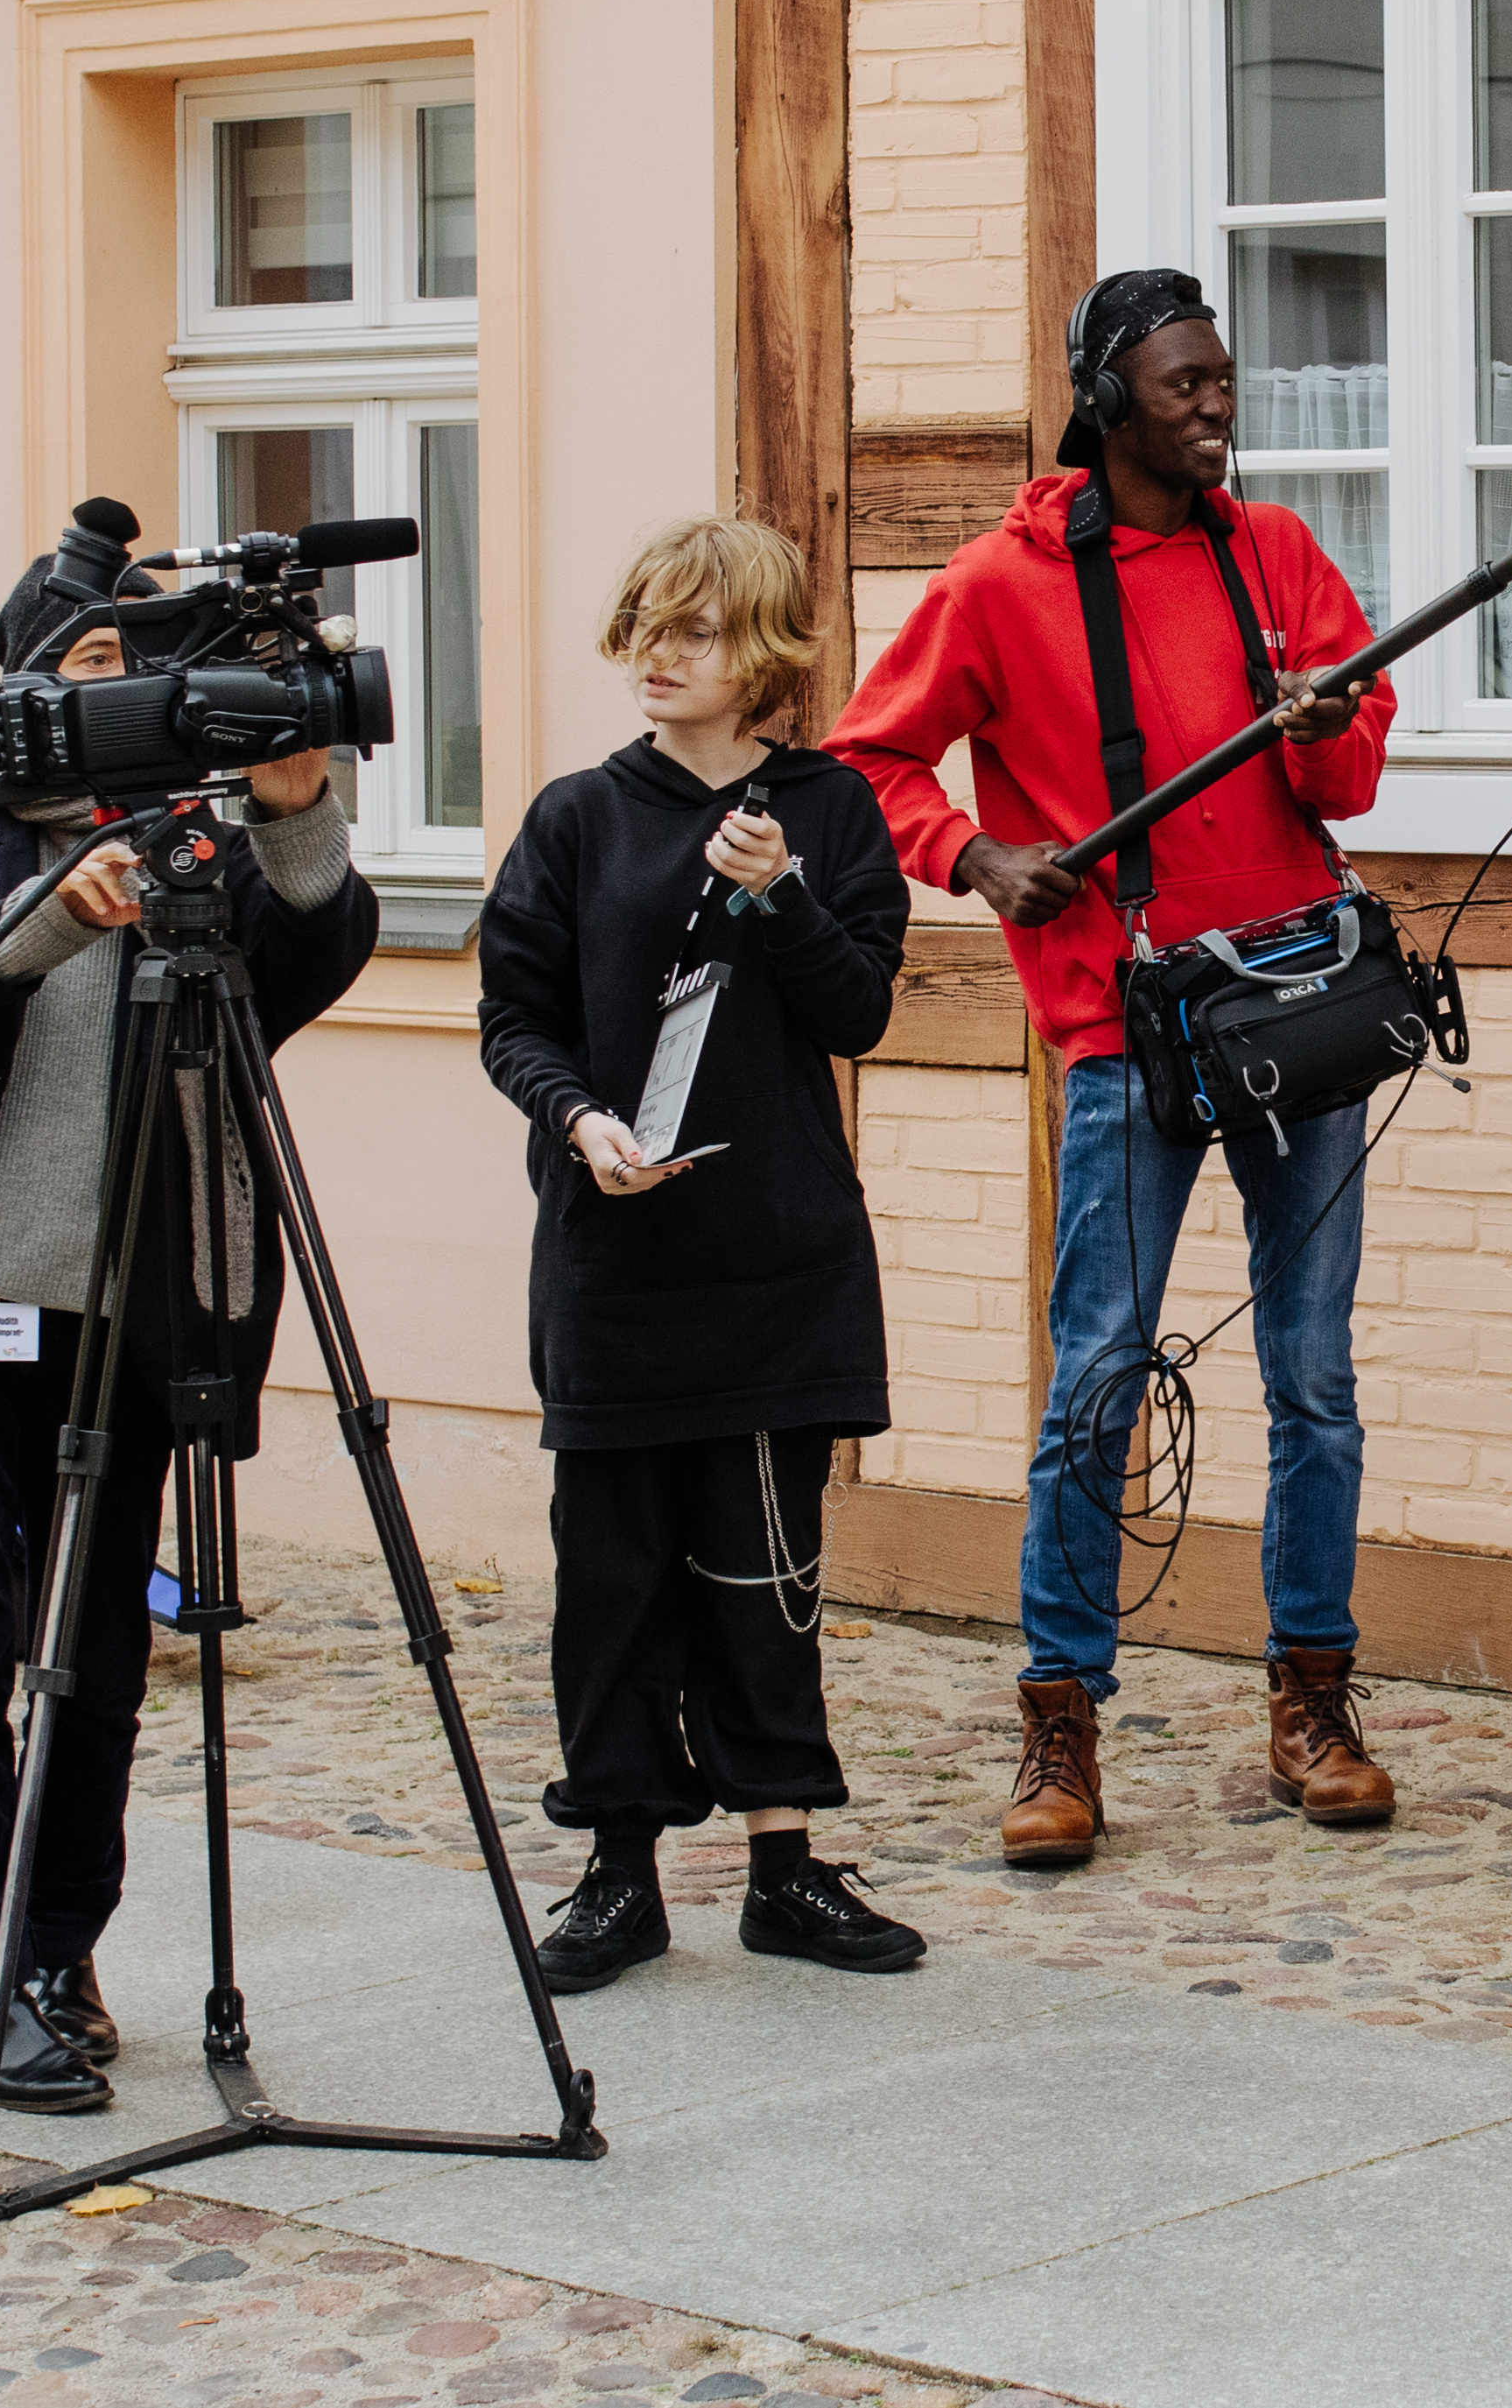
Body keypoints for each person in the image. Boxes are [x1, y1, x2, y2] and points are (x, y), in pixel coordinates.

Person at [829, 268, 1398, 1868]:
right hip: (1121, 1028)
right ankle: (1061, 1720)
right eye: (1182, 384)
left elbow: (1350, 774)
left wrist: (1319, 724)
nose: (1217, 404)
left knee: (1314, 1375)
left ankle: (1312, 1700)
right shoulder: (998, 583)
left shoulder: (1275, 551)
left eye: (1224, 377)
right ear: (1104, 402)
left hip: (1298, 1010)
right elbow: (865, 760)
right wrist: (972, 854)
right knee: (1097, 1378)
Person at [0, 525, 376, 2112]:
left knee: (99, 1664)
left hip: (136, 1324)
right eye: (90, 661)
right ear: (25, 681)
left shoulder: (193, 836)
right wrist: (57, 907)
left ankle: (60, 1947)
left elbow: (304, 961)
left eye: (146, 661)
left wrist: (293, 809)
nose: (124, 687)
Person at [475, 514, 918, 1992]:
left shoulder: (831, 812)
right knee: (610, 1577)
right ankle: (619, 1869)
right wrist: (580, 1116)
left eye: (698, 630)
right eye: (647, 625)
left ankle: (785, 1866)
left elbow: (858, 1011)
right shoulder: (576, 818)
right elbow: (513, 1018)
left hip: (776, 1259)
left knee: (766, 1568)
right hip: (613, 1265)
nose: (660, 655)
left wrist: (782, 891)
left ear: (765, 653)